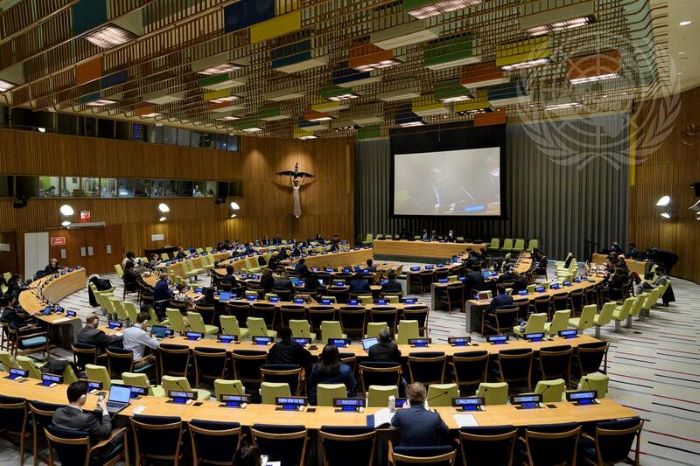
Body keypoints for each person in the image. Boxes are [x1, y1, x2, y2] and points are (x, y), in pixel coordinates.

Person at [391, 382, 449, 447]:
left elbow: (393, 422)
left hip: (406, 455)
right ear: (425, 397)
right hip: (431, 455)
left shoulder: (400, 414)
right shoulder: (435, 416)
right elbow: (446, 431)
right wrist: (430, 412)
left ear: (408, 398)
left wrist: (404, 410)